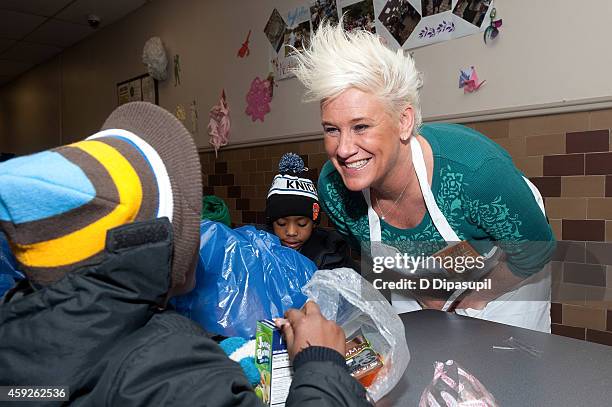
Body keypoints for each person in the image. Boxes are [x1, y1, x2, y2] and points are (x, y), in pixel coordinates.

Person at [0, 102, 371, 406]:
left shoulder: (17, 345)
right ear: (155, 245)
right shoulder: (178, 379)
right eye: (189, 216)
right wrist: (321, 363)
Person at [292, 23, 556, 332]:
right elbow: (368, 253)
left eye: (361, 126)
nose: (344, 149)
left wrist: (474, 298)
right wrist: (424, 294)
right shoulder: (335, 190)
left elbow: (535, 251)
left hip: (507, 271)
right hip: (418, 281)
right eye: (331, 129)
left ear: (404, 121)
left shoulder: (476, 174)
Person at [266, 152, 358, 271]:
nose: (291, 232)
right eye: (281, 223)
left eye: (302, 224)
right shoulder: (259, 247)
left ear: (314, 223)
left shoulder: (332, 254)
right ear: (271, 222)